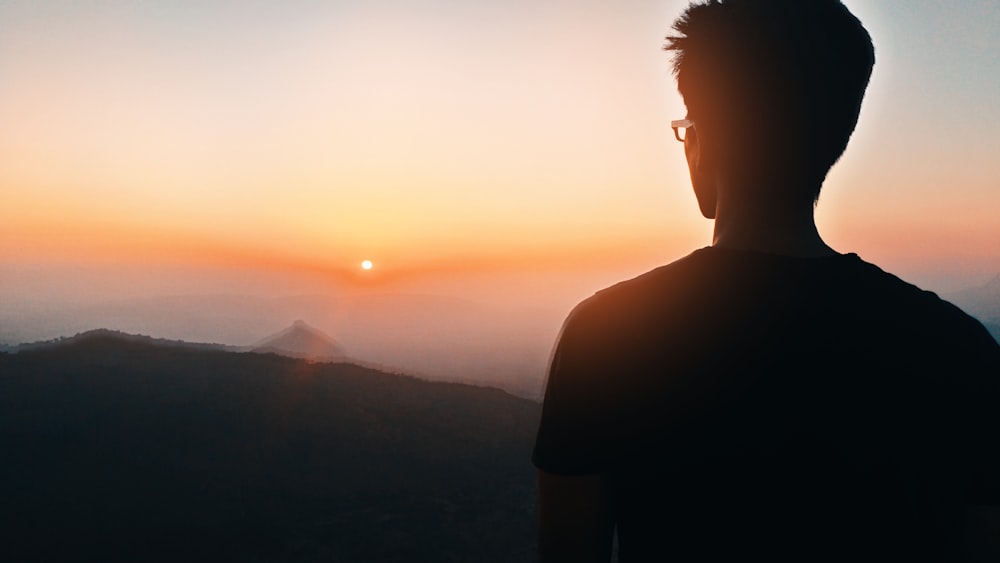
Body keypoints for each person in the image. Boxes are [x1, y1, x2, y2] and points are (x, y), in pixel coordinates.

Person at [532, 1, 1000, 561]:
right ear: (836, 140)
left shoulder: (605, 337)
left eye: (685, 132)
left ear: (701, 145)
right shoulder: (962, 353)